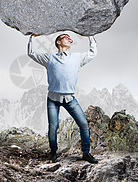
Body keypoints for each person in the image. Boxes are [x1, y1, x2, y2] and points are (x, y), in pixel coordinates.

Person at [27, 33, 98, 164]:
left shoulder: (76, 58)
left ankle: (86, 153)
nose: (70, 39)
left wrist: (90, 36)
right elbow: (31, 53)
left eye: (70, 38)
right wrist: (32, 36)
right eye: (66, 37)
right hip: (53, 99)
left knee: (83, 124)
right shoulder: (49, 58)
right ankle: (53, 151)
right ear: (58, 42)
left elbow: (93, 53)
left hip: (70, 99)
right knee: (53, 127)